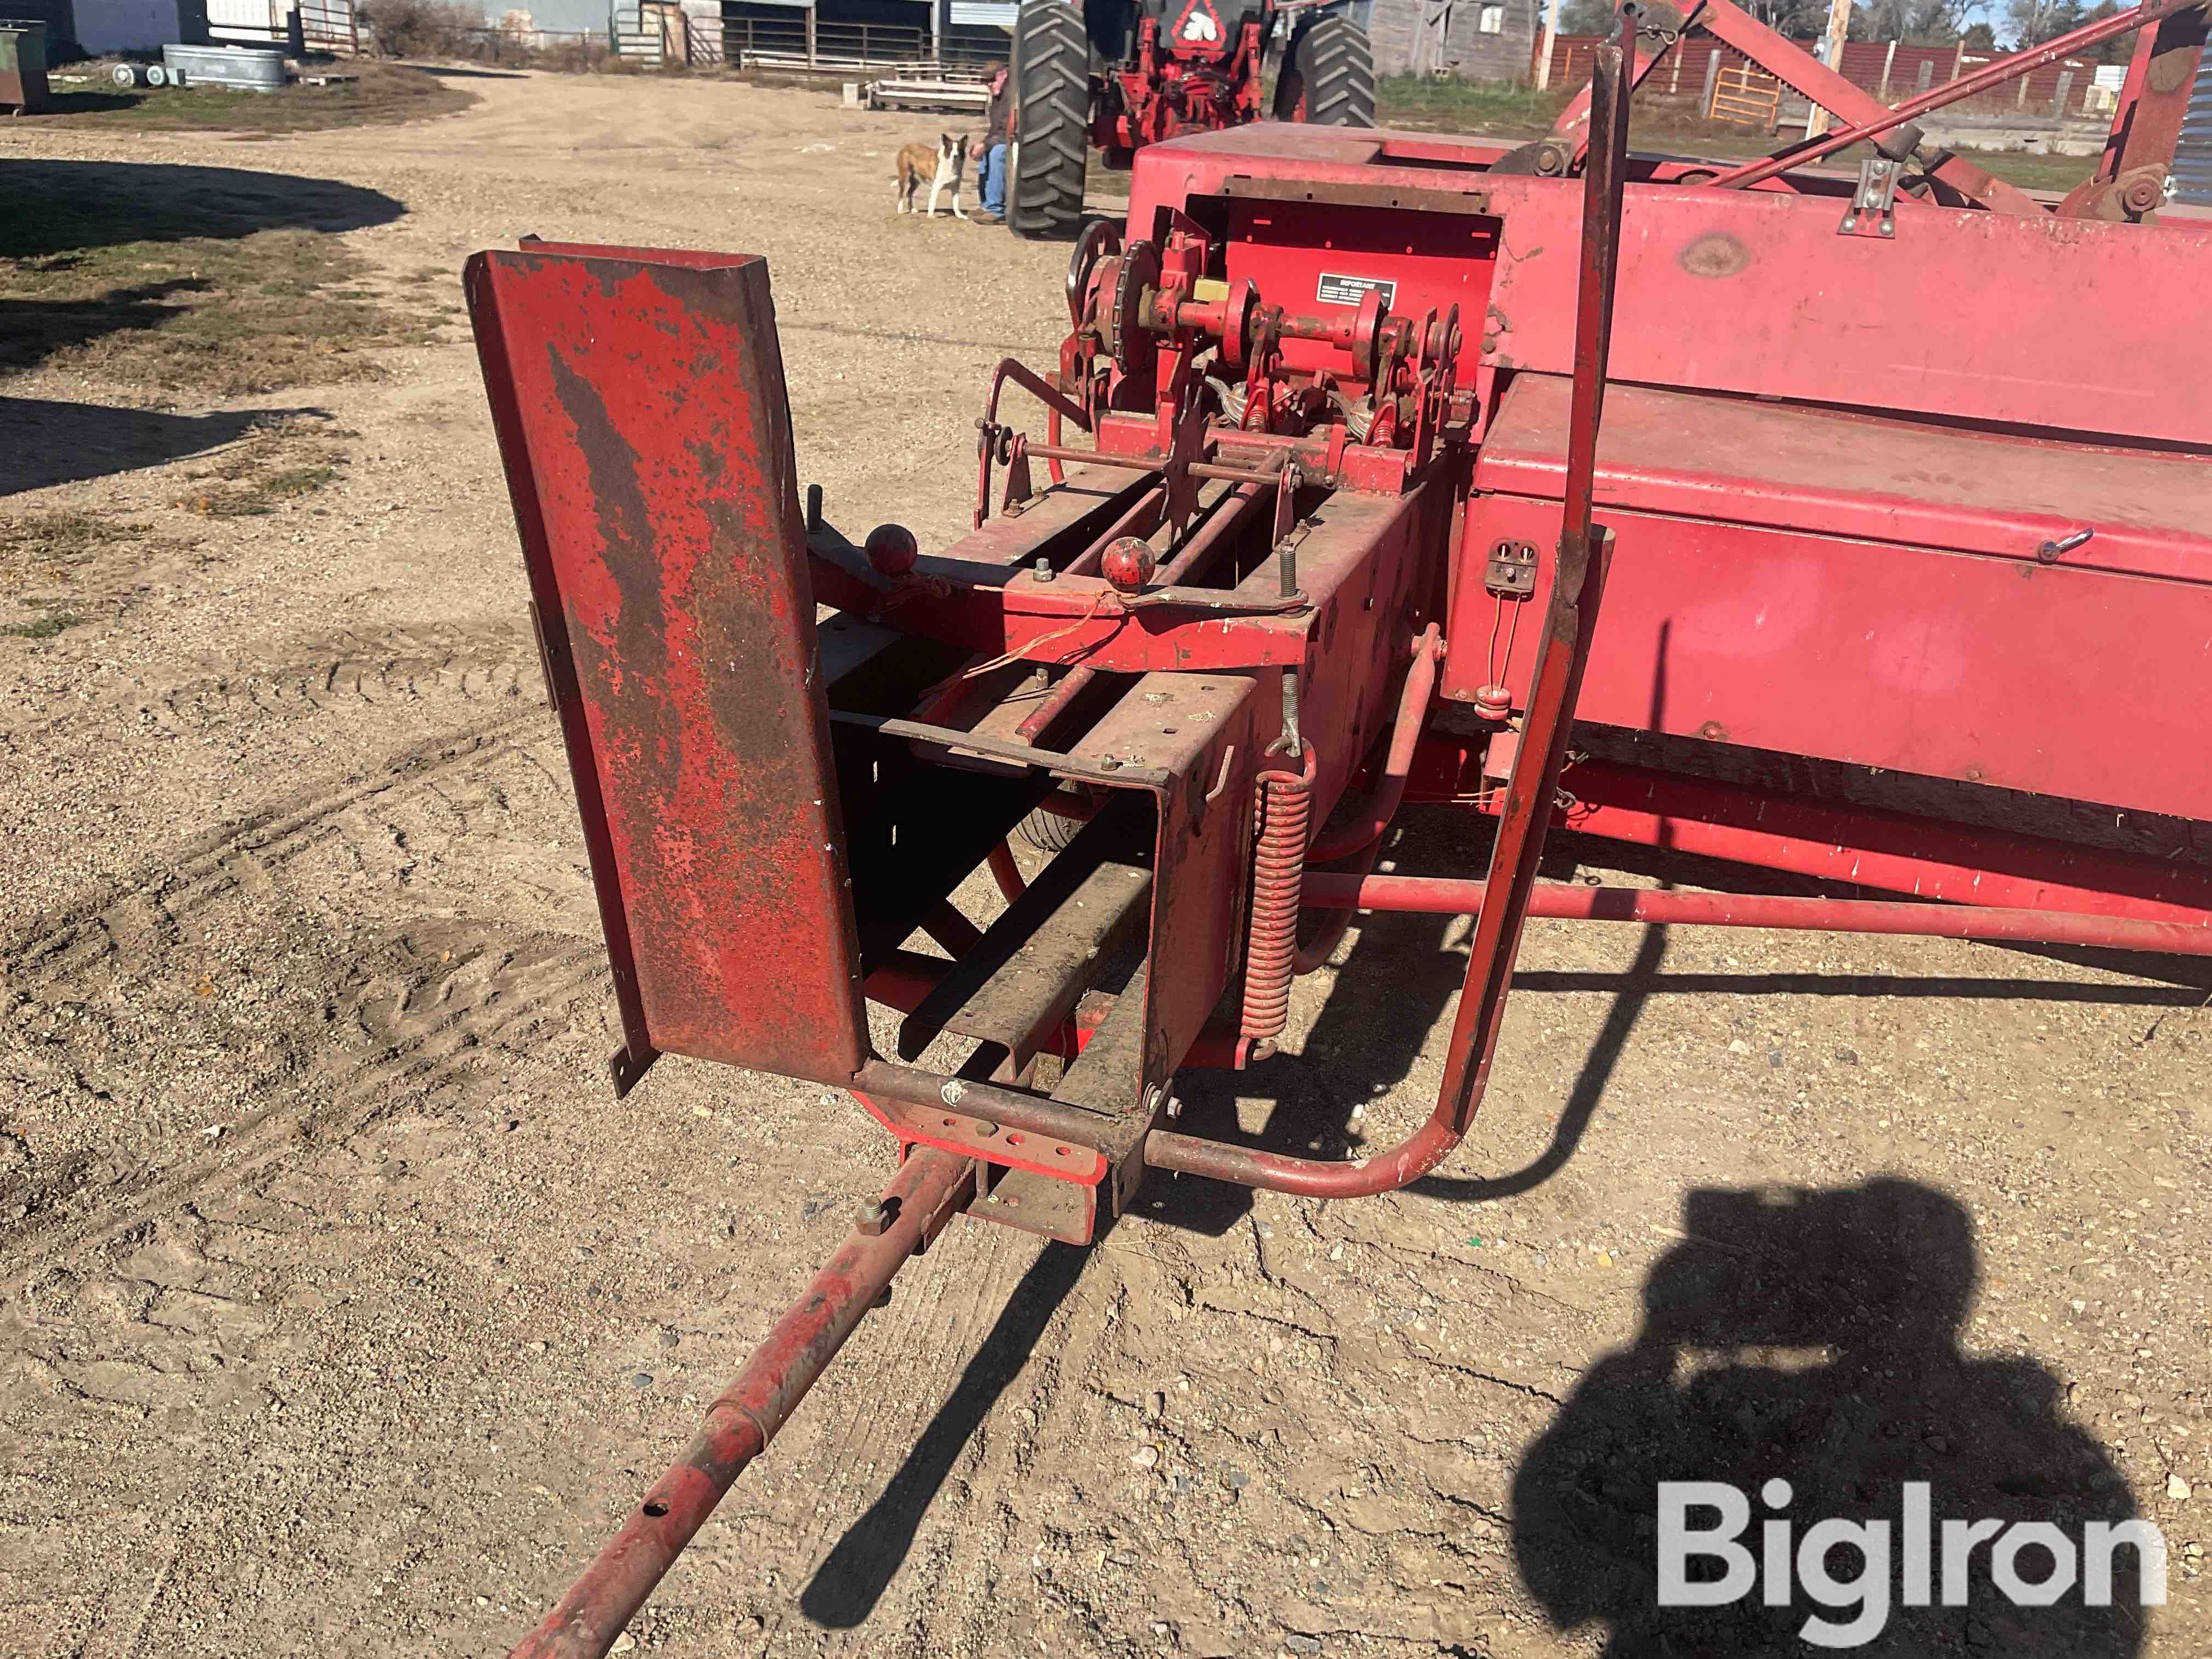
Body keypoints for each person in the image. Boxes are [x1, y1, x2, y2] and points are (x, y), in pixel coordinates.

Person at [970, 60, 1012, 225]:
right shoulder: (997, 96)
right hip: (1001, 138)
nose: (988, 84)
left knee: (996, 154)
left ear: (1003, 76)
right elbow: (996, 128)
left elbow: (1008, 131)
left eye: (991, 80)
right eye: (985, 81)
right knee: (985, 157)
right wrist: (983, 144)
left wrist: (987, 146)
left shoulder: (1011, 96)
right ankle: (986, 205)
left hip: (1014, 140)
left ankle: (996, 209)